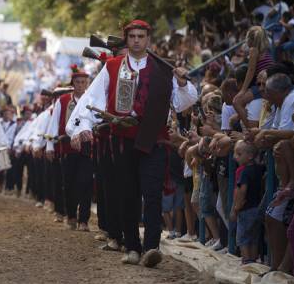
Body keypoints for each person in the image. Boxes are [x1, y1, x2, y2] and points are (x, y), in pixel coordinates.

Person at [68, 19, 197, 268]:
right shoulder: (113, 66)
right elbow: (91, 99)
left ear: (148, 38)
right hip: (122, 141)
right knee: (127, 194)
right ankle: (132, 247)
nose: (137, 40)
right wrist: (81, 126)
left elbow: (184, 102)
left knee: (152, 195)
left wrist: (182, 82)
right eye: (133, 36)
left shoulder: (162, 69)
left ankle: (151, 247)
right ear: (127, 39)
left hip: (153, 141)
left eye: (141, 36)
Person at [46, 67, 93, 231]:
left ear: (87, 83)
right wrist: (50, 145)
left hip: (87, 148)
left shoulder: (92, 100)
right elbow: (54, 123)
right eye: (78, 82)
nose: (80, 85)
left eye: (83, 82)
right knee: (69, 183)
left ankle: (84, 220)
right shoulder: (63, 100)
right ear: (73, 83)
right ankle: (71, 215)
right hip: (67, 148)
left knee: (86, 182)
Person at [230, 141, 263, 264]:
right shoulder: (259, 169)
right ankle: (253, 259)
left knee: (243, 237)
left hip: (246, 209)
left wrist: (236, 207)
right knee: (254, 237)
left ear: (249, 156)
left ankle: (246, 259)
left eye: (239, 154)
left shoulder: (244, 172)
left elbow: (242, 190)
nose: (235, 157)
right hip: (257, 207)